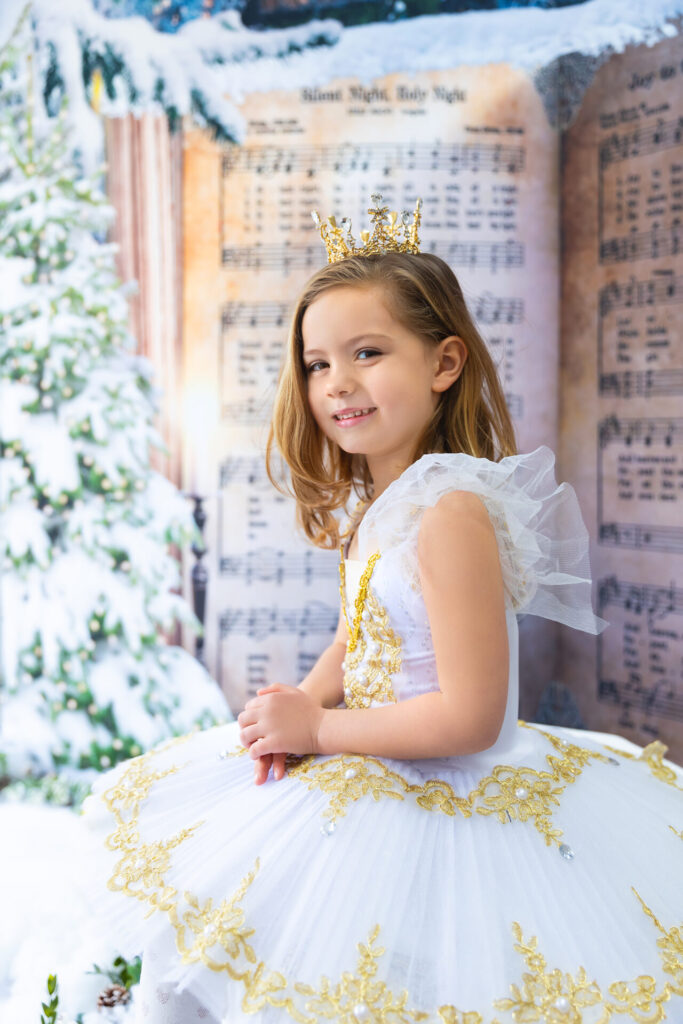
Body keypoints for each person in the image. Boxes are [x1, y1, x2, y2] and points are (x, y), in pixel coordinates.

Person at [84, 196, 683, 1023]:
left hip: (447, 789)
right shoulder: (389, 503)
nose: (337, 384)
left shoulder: (450, 512)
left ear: (444, 363)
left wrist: (322, 732)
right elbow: (355, 636)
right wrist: (297, 705)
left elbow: (476, 719)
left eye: (367, 353)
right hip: (374, 756)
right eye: (317, 363)